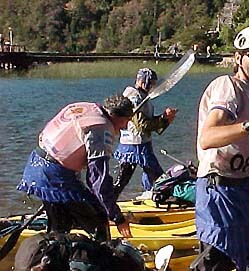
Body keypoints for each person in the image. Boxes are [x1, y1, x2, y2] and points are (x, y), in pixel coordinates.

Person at [170, 25, 249, 271]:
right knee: (215, 263)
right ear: (238, 57)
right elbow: (208, 137)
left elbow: (240, 146)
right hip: (217, 188)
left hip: (244, 188)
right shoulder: (227, 86)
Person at [16, 96, 134, 241]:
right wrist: (117, 217)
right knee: (99, 221)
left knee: (60, 229)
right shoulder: (101, 129)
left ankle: (55, 255)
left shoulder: (87, 107)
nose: (125, 127)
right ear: (115, 116)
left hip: (35, 166)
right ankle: (103, 257)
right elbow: (98, 181)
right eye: (127, 121)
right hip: (54, 177)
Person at [113, 68, 177, 201]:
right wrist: (163, 118)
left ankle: (147, 194)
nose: (153, 87)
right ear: (144, 82)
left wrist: (166, 120)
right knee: (158, 177)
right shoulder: (135, 97)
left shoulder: (141, 96)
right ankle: (108, 203)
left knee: (127, 177)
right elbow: (142, 125)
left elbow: (148, 126)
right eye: (152, 83)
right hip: (137, 146)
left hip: (134, 144)